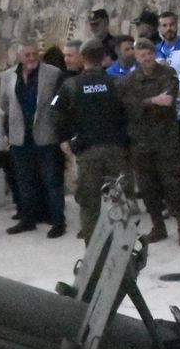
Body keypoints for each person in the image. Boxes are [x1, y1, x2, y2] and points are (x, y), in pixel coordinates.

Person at [54, 39, 130, 241]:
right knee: (118, 201)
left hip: (87, 151)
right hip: (115, 150)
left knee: (89, 203)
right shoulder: (116, 84)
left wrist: (66, 138)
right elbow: (131, 112)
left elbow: (55, 111)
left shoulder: (71, 85)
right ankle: (121, 247)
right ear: (104, 57)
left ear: (83, 57)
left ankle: (93, 251)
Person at [120, 38, 180, 246]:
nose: (147, 58)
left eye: (149, 54)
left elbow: (167, 101)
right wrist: (151, 101)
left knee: (173, 186)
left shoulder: (167, 74)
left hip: (166, 141)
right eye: (142, 55)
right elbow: (129, 107)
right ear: (137, 57)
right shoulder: (132, 79)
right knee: (148, 188)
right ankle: (158, 226)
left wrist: (144, 104)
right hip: (141, 143)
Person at [0, 41, 66, 236]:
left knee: (52, 181)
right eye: (27, 55)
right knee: (25, 181)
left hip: (46, 136)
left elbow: (59, 99)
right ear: (20, 57)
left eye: (34, 54)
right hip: (21, 138)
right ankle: (28, 219)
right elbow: (4, 103)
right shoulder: (8, 76)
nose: (31, 58)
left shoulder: (52, 74)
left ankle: (58, 222)